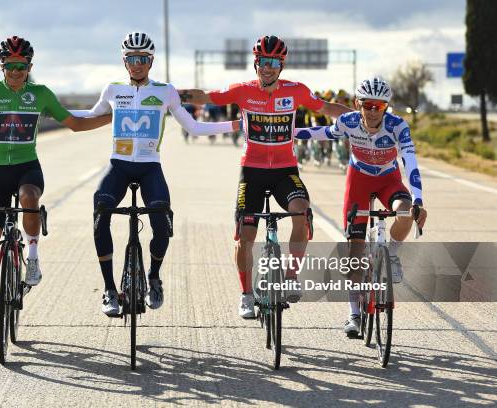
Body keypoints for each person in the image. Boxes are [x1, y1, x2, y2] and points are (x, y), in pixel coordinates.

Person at [178, 35, 351, 318]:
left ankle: (291, 277)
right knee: (245, 236)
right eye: (262, 62)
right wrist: (173, 94)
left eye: (273, 63)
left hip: (285, 171)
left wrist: (360, 119)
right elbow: (206, 96)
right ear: (255, 63)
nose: (267, 68)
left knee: (302, 213)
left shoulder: (297, 91)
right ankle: (246, 295)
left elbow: (329, 109)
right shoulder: (242, 91)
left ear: (281, 65)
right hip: (253, 172)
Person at [75, 32, 239, 316]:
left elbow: (194, 128)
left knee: (161, 219)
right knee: (100, 210)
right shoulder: (113, 90)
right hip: (119, 166)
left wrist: (237, 125)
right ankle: (110, 290)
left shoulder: (165, 91)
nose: (136, 64)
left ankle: (154, 277)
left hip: (150, 166)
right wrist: (48, 109)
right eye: (131, 59)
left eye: (142, 59)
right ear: (124, 61)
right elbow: (90, 115)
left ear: (151, 61)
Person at [0, 36, 112, 329]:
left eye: (22, 66)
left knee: (29, 195)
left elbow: (75, 123)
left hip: (28, 168)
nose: (16, 72)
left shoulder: (40, 94)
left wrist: (114, 116)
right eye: (10, 66)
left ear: (30, 66)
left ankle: (33, 258)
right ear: (2, 66)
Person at [294, 77, 428, 336]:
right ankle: (354, 314)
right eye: (367, 105)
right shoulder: (349, 122)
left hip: (389, 179)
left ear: (386, 107)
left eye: (379, 106)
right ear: (358, 104)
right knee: (355, 250)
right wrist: (289, 133)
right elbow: (323, 133)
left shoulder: (398, 126)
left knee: (405, 211)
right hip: (359, 181)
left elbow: (411, 162)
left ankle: (391, 253)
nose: (372, 111)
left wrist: (419, 199)